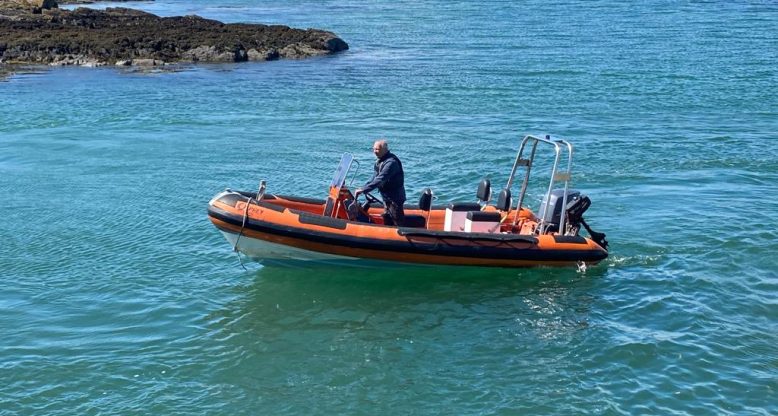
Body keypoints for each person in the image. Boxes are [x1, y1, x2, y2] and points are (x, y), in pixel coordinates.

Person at [355, 139, 406, 226]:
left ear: (385, 150)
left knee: (396, 221)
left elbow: (380, 179)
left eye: (377, 149)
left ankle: (401, 236)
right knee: (387, 218)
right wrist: (363, 188)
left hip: (394, 198)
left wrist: (364, 189)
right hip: (386, 197)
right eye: (374, 149)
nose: (375, 152)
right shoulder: (379, 161)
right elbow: (374, 179)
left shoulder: (391, 163)